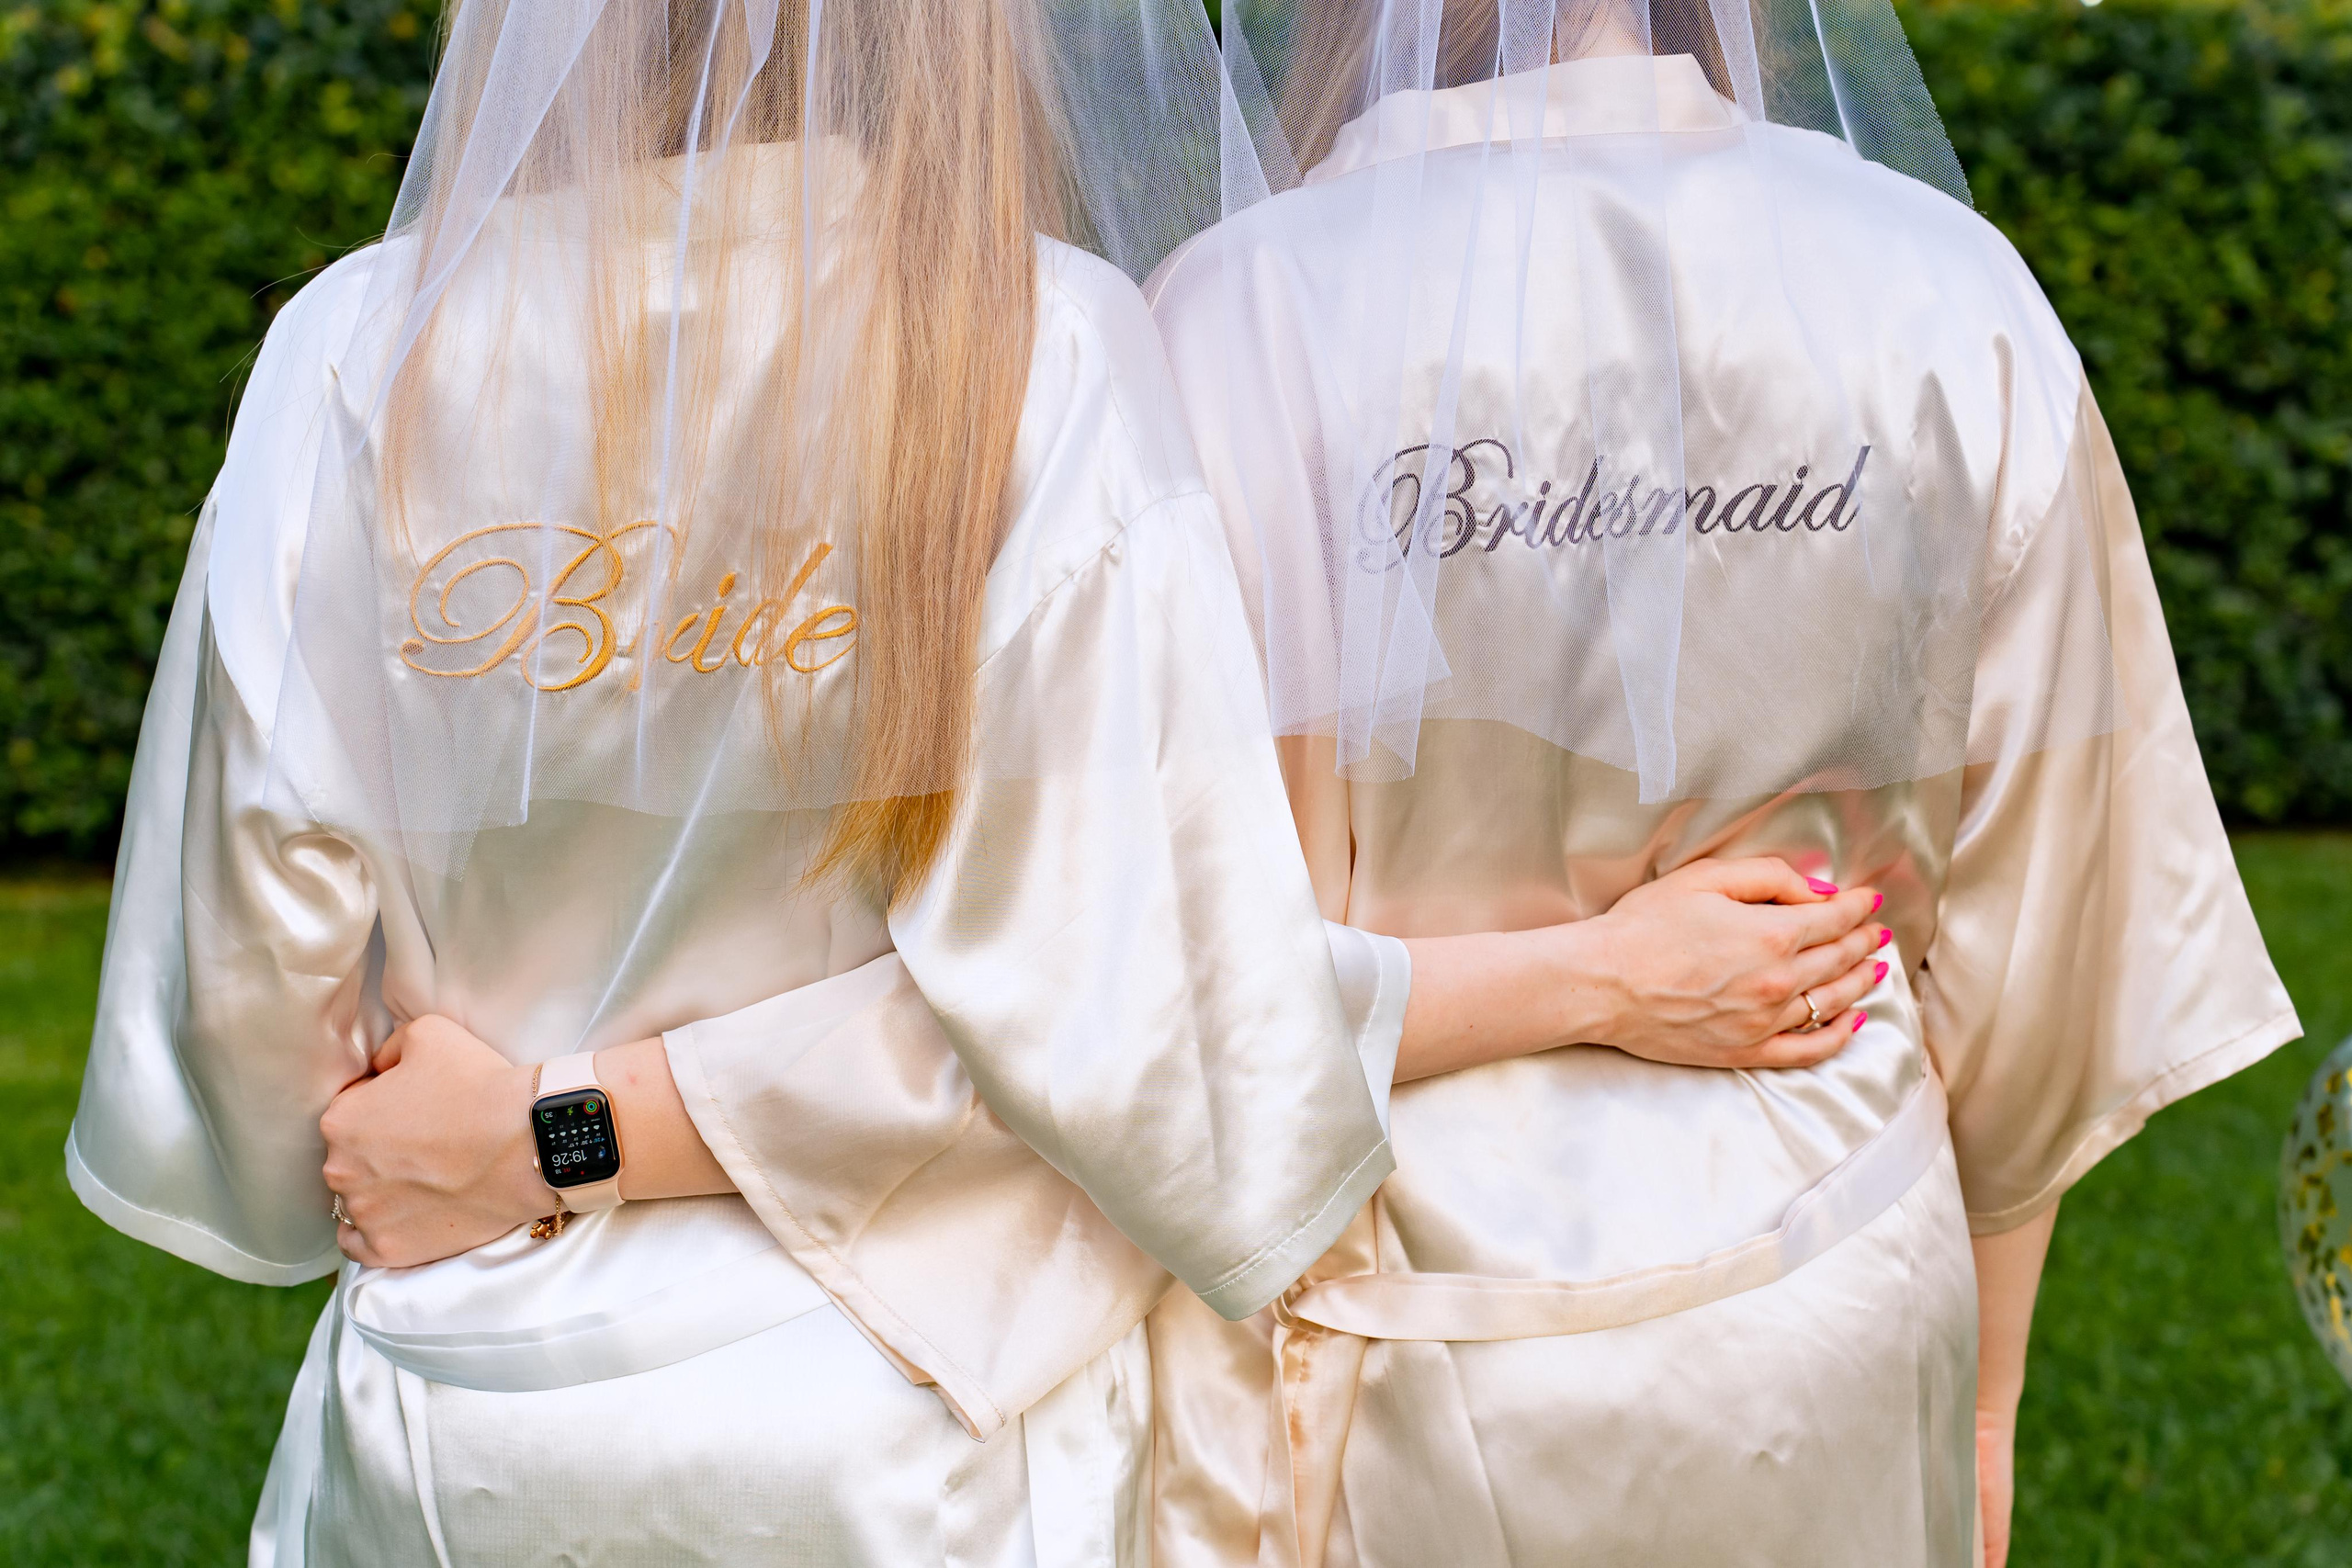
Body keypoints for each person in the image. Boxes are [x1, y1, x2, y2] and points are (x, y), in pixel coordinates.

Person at [65, 1, 1887, 1563]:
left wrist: (520, 1127)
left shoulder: (350, 356)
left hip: (465, 1416)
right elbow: (1139, 1028)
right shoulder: (1036, 356)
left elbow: (244, 1039)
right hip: (910, 1427)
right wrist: (1596, 978)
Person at [1138, 2, 2301, 1565]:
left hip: (1397, 1340)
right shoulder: (1945, 289)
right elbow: (2042, 933)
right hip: (1834, 1294)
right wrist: (1983, 1406)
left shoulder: (1232, 318)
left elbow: (1161, 965)